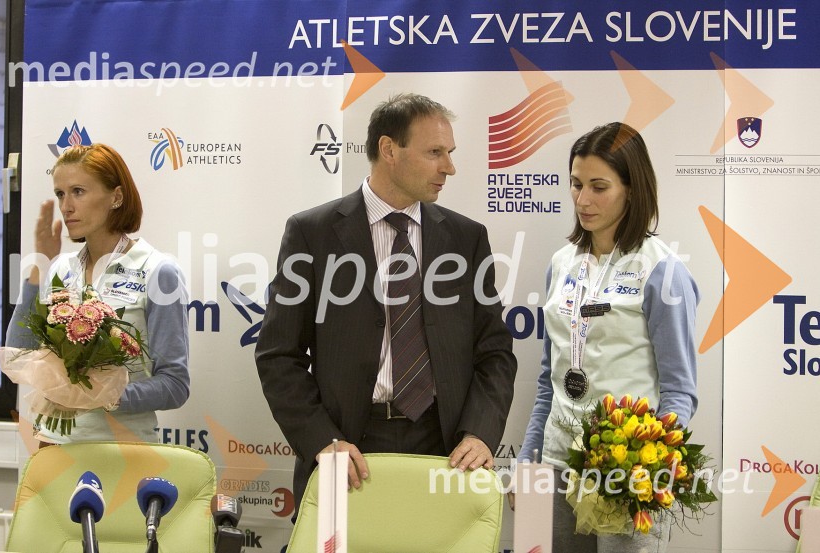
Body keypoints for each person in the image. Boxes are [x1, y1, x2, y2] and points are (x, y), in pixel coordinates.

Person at [255, 93, 517, 505]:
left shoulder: (466, 239)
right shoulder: (313, 233)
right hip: (349, 453)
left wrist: (480, 432)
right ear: (388, 149)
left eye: (449, 153)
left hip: (444, 450)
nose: (449, 167)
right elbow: (278, 354)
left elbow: (495, 351)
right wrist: (322, 439)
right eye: (435, 152)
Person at [516, 123, 698, 552]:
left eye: (599, 187)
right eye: (577, 184)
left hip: (625, 473)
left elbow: (678, 391)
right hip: (558, 461)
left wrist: (651, 471)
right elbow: (550, 379)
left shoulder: (662, 271)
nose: (583, 200)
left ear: (632, 190)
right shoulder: (561, 264)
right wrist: (528, 461)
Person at [6, 143, 190, 444]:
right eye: (60, 194)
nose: (66, 206)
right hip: (53, 445)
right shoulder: (60, 267)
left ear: (116, 197)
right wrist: (41, 263)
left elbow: (174, 385)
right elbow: (17, 354)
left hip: (121, 449)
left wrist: (100, 396)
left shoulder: (157, 269)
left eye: (78, 191)